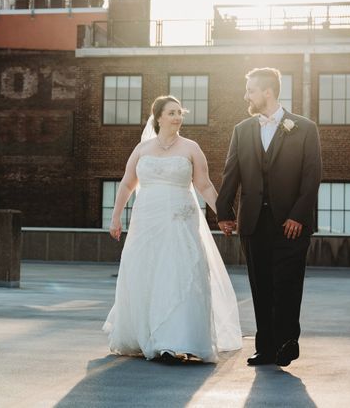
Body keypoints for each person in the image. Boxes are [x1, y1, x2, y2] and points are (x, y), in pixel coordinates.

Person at [103, 95, 242, 363]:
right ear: (158, 117)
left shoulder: (191, 147)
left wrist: (223, 215)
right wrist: (115, 217)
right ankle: (148, 336)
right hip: (146, 220)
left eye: (180, 112)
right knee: (147, 273)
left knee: (180, 273)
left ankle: (178, 339)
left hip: (180, 219)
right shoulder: (142, 149)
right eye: (171, 113)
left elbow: (204, 185)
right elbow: (126, 184)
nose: (178, 117)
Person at [217, 68, 322, 367]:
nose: (246, 96)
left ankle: (287, 343)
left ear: (267, 92)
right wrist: (225, 213)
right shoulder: (242, 130)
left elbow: (311, 177)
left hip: (291, 224)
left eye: (250, 90)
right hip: (252, 224)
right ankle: (265, 348)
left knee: (287, 284)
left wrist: (298, 216)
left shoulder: (304, 128)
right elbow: (231, 173)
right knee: (260, 285)